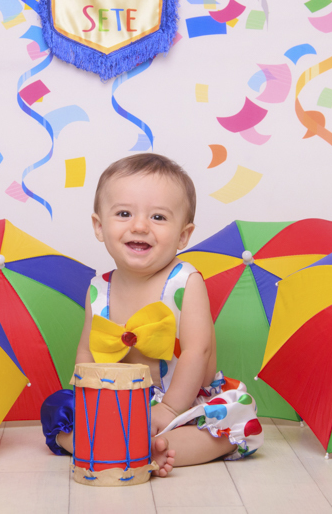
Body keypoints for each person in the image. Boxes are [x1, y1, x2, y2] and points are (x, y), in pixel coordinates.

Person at [41, 153, 262, 477]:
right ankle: (109, 443)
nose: (140, 226)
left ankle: (154, 448)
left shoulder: (185, 282)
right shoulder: (98, 289)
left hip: (182, 403)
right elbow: (87, 351)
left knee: (230, 422)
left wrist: (169, 408)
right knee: (59, 413)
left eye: (158, 217)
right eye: (124, 213)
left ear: (183, 235)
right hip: (117, 402)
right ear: (99, 227)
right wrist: (90, 403)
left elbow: (197, 351)